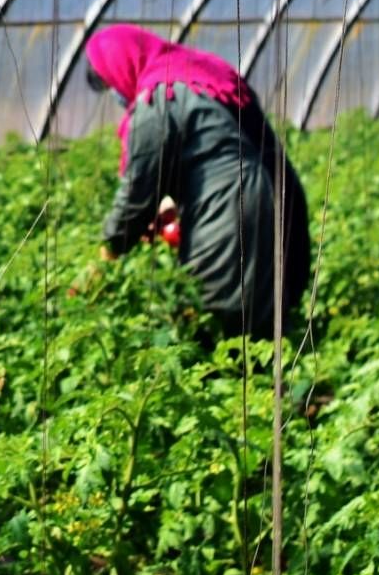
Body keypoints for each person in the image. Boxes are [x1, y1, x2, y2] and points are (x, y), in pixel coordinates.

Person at [84, 24, 309, 343]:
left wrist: (110, 247)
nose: (117, 95)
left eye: (110, 84)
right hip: (268, 195)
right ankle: (270, 383)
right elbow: (213, 149)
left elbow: (138, 190)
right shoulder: (203, 75)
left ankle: (241, 384)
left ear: (121, 64)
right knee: (260, 315)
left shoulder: (158, 99)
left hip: (227, 209)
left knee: (219, 320)